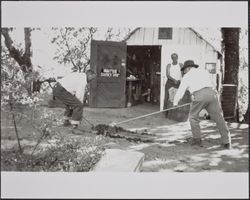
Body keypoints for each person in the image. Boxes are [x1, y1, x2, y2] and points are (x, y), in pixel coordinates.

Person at [173, 60, 231, 149]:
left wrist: (175, 102)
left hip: (199, 95)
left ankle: (197, 140)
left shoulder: (187, 76)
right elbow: (214, 84)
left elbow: (181, 90)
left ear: (188, 68)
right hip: (212, 94)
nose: (184, 72)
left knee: (193, 117)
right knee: (219, 117)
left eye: (184, 70)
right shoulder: (204, 71)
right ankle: (227, 142)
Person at [49, 69, 96, 134]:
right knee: (78, 105)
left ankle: (66, 121)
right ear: (89, 75)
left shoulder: (79, 75)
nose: (91, 80)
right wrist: (79, 110)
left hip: (57, 88)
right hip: (61, 90)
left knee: (72, 103)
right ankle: (75, 128)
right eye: (92, 78)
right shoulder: (83, 80)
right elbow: (79, 96)